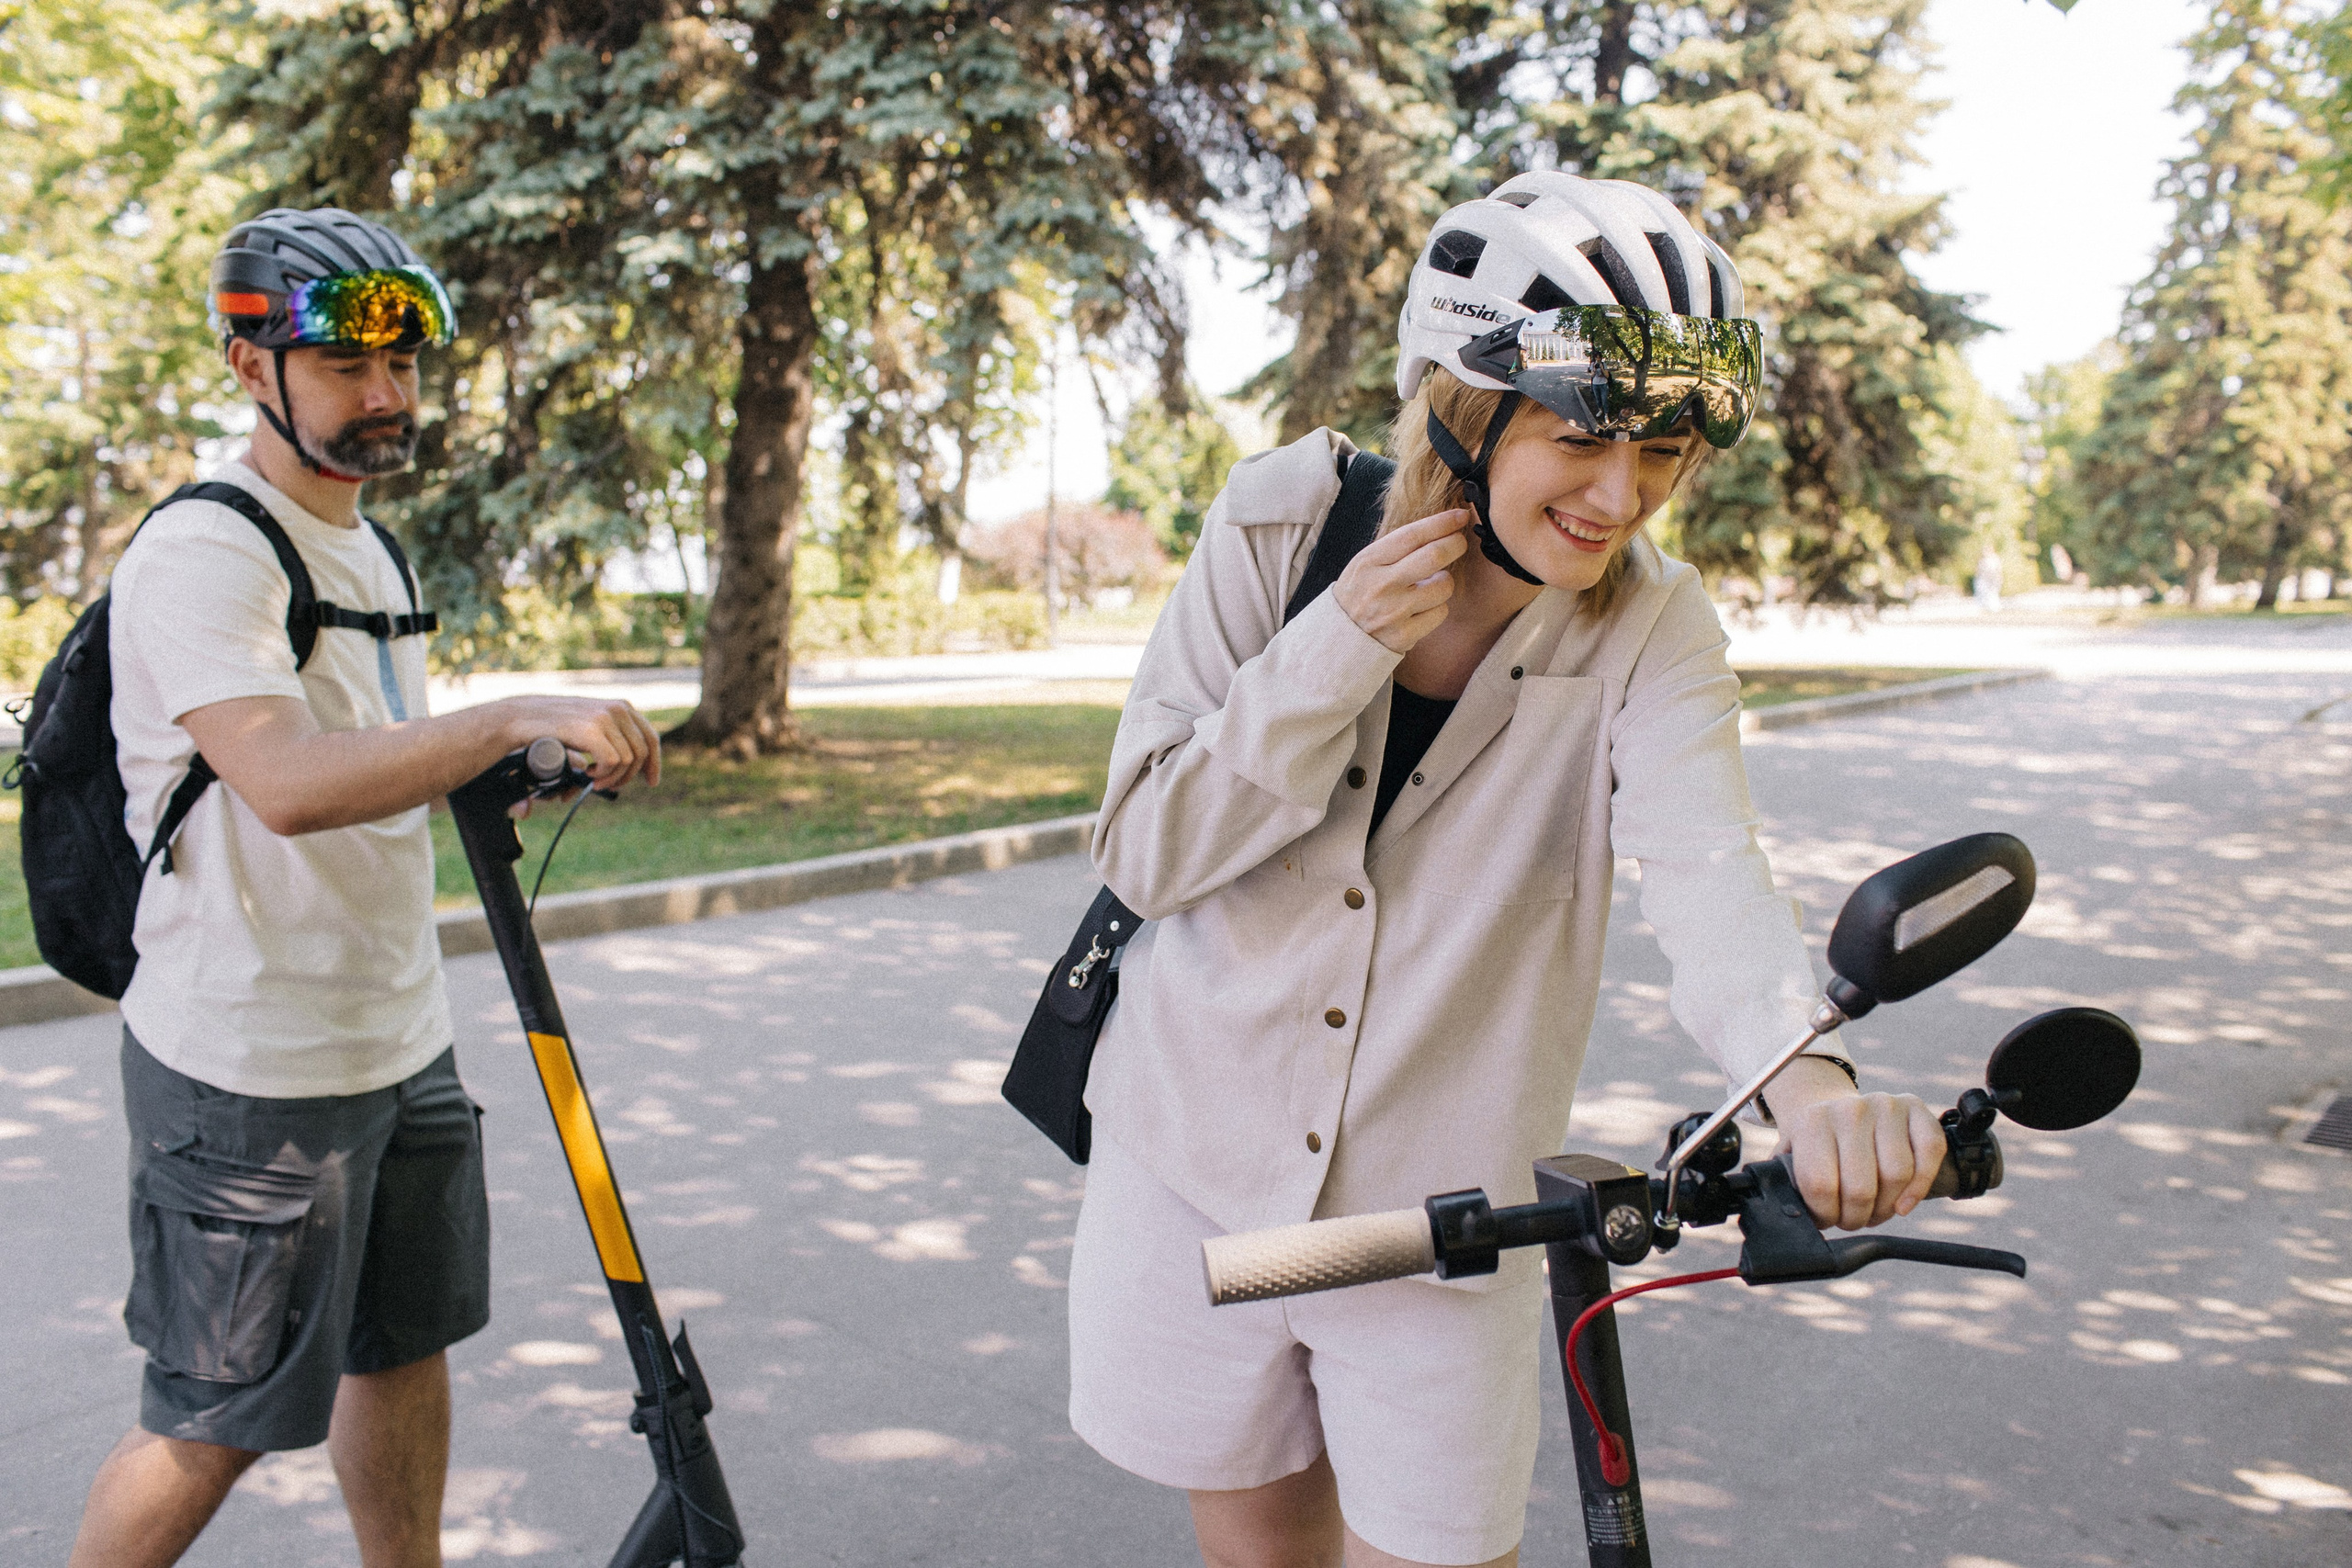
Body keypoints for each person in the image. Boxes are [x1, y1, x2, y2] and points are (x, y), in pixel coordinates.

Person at [1066, 173, 1951, 1568]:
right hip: (1191, 1171)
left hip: (1436, 1225)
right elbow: (1148, 851)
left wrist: (1812, 1085)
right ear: (1467, 405)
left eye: (1664, 454)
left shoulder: (1651, 626)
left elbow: (1709, 869)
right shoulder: (1283, 525)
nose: (1625, 497)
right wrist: (1334, 648)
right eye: (1587, 438)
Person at [68, 208, 662, 1568]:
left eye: (404, 364)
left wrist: (524, 763)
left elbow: (378, 766)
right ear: (248, 365)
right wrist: (514, 708)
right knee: (213, 1416)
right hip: (250, 1067)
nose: (388, 394)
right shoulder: (210, 548)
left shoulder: (369, 548)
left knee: (401, 1351)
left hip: (396, 1040)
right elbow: (283, 780)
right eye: (347, 364)